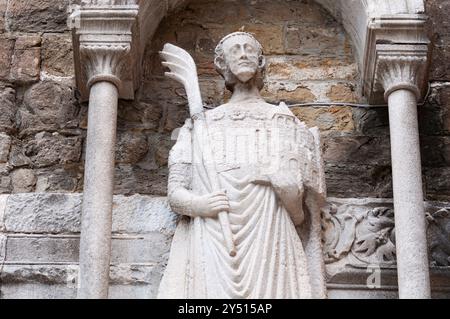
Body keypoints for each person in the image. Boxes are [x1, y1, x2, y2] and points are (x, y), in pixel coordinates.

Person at [158, 32, 326, 299]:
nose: (244, 53)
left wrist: (289, 193)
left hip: (271, 239)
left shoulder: (282, 120)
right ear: (222, 64)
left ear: (260, 62)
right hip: (212, 239)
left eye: (249, 49)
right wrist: (200, 205)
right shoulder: (200, 125)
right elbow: (176, 193)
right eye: (235, 50)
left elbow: (300, 217)